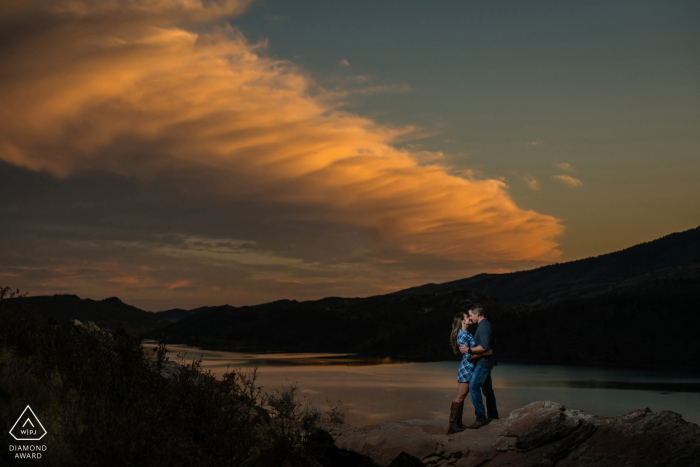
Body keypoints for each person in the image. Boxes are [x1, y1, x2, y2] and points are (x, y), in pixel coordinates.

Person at [447, 312, 492, 434]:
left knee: (462, 397)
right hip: (466, 369)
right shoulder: (462, 335)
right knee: (460, 397)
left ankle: (458, 423)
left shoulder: (466, 333)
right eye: (467, 317)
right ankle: (452, 426)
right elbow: (467, 356)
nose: (469, 318)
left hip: (470, 368)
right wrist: (484, 353)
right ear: (462, 321)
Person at [459, 304, 498, 429]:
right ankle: (493, 416)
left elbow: (485, 347)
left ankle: (481, 419)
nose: (470, 318)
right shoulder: (483, 325)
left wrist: (469, 350)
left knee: (474, 387)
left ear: (478, 314)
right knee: (487, 390)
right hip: (486, 361)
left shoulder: (483, 327)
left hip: (484, 362)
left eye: (471, 315)